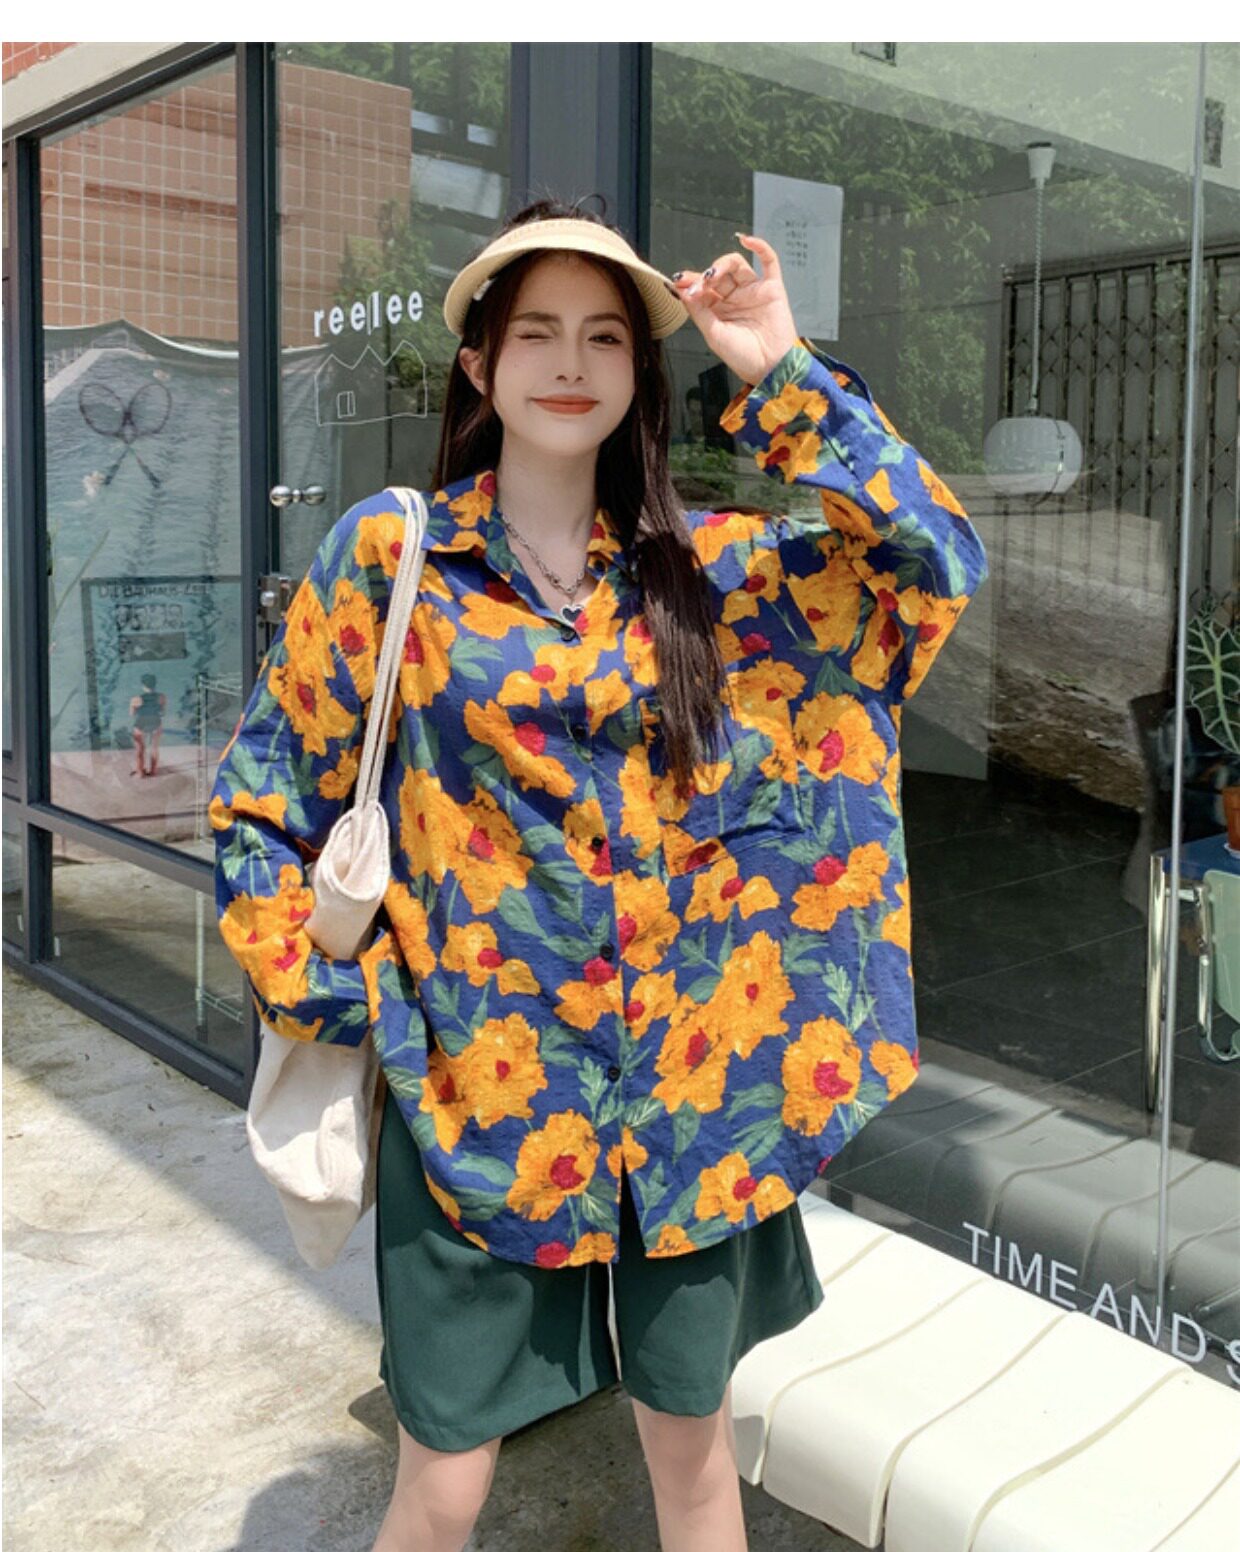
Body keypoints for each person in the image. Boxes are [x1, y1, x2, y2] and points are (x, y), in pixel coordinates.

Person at [210, 197, 988, 1552]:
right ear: (478, 362)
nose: (569, 362)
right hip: (477, 1112)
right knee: (441, 1484)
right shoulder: (395, 560)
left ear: (639, 368)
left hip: (691, 1105)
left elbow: (928, 570)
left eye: (605, 335)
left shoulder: (712, 577)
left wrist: (782, 370)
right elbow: (262, 805)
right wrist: (354, 1006)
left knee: (694, 1465)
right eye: (536, 332)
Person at [129, 671, 164, 777]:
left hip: (141, 724)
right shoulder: (162, 697)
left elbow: (132, 714)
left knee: (140, 748)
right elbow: (162, 712)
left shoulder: (136, 699)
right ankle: (153, 771)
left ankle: (140, 772)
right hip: (155, 722)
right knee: (154, 747)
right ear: (155, 684)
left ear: (143, 685)